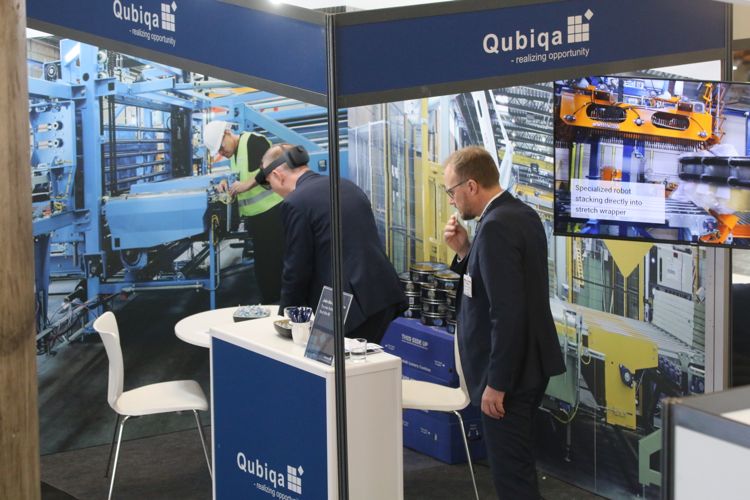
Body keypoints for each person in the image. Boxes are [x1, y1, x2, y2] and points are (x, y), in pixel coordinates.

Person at [442, 146, 565, 499]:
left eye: (452, 191)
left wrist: (497, 383)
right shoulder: (520, 214)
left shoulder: (496, 227)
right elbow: (505, 287)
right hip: (528, 366)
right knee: (517, 469)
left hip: (510, 377)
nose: (451, 200)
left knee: (512, 478)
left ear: (471, 186)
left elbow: (507, 312)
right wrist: (465, 251)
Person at [257, 143, 407, 344]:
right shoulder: (346, 186)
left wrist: (287, 318)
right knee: (362, 359)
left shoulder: (296, 202)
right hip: (382, 294)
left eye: (269, 184)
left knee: (325, 359)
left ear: (277, 175)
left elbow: (297, 267)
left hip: (344, 305)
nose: (273, 190)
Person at [203, 121, 284, 303]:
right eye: (219, 151)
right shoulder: (234, 155)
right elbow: (243, 177)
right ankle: (271, 303)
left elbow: (272, 166)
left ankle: (280, 305)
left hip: (273, 214)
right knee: (264, 266)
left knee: (275, 264)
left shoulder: (253, 141)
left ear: (227, 133)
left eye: (221, 147)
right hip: (257, 219)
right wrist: (226, 183)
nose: (222, 152)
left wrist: (246, 185)